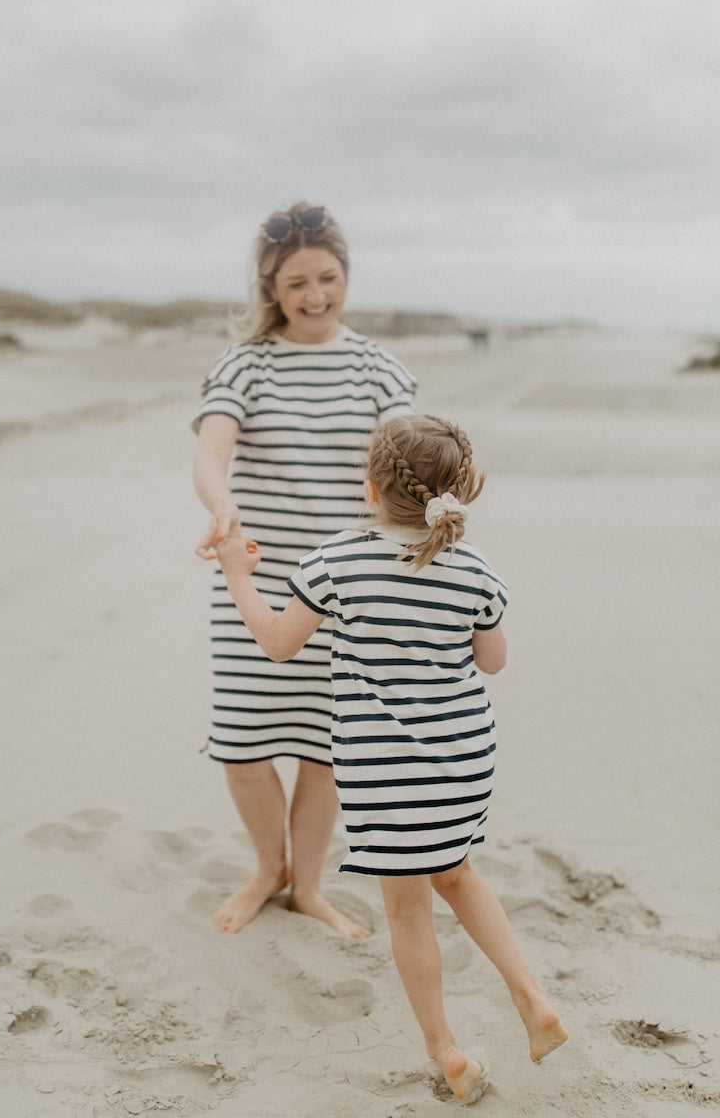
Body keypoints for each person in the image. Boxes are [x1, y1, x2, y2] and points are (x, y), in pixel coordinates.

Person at [213, 414, 568, 1103]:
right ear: (457, 491)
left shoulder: (336, 560)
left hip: (386, 770)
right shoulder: (477, 569)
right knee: (459, 874)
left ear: (372, 489)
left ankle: (446, 1049)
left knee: (409, 914)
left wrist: (237, 577)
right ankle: (532, 997)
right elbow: (492, 662)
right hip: (465, 758)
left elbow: (279, 644)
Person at [192, 202, 417, 937]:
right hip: (253, 583)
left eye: (327, 277)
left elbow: (404, 470)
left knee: (326, 751)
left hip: (349, 590)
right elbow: (210, 452)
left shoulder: (379, 368)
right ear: (271, 288)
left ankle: (308, 885)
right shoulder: (245, 364)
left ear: (346, 274)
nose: (315, 295)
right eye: (297, 283)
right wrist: (222, 508)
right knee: (243, 744)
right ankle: (269, 867)